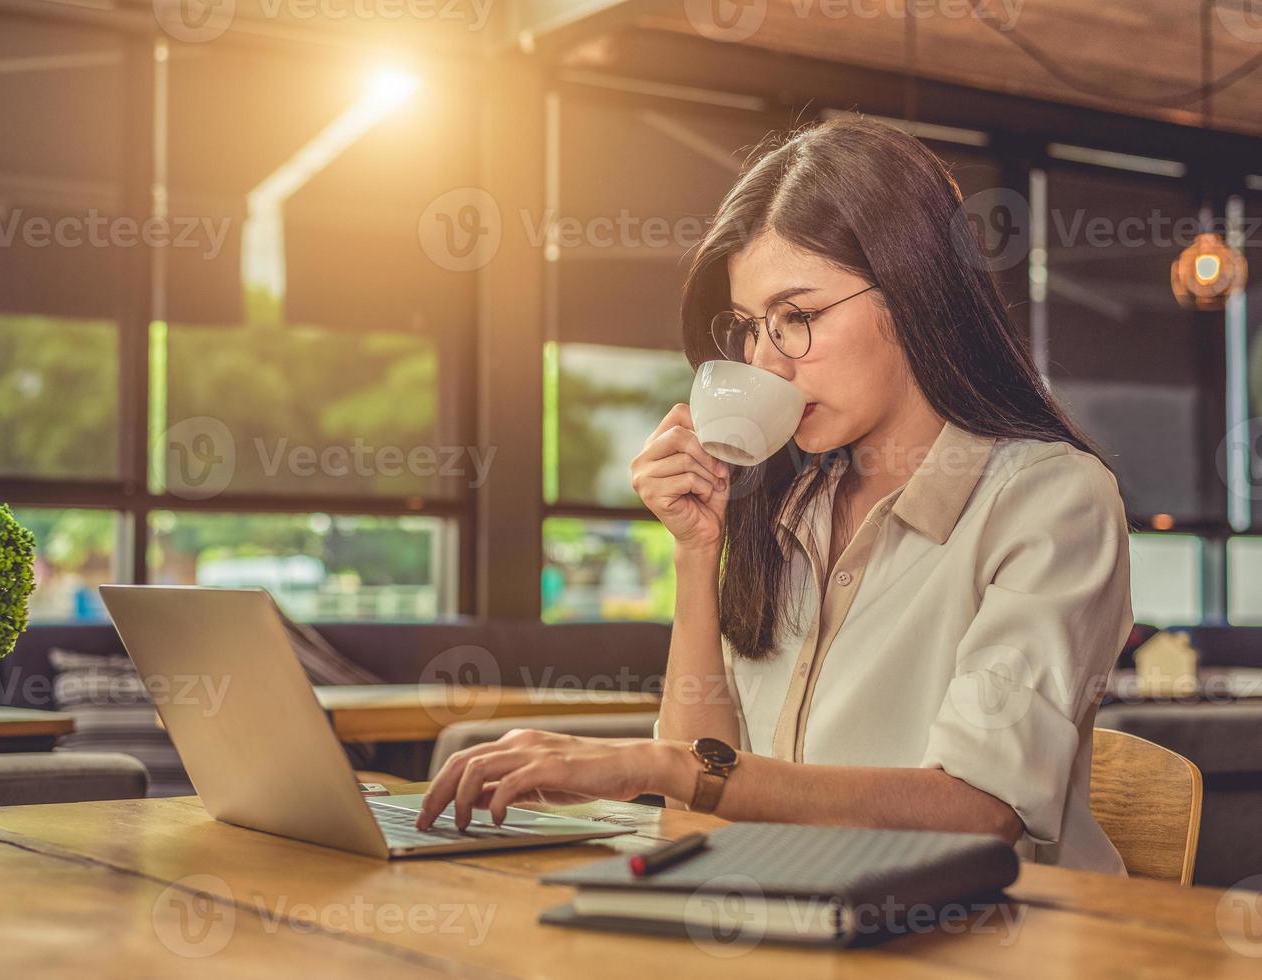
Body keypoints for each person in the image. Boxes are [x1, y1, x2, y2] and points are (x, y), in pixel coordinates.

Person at [416, 117, 1132, 873]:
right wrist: (697, 554)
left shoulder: (1050, 499)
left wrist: (657, 764)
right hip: (796, 917)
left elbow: (979, 810)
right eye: (754, 328)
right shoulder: (795, 507)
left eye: (798, 317)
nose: (768, 363)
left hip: (984, 940)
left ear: (913, 287)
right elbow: (703, 806)